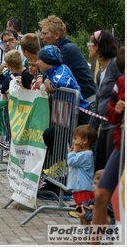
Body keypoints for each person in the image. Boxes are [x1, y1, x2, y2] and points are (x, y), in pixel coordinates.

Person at [91, 47, 125, 245]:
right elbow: (110, 115)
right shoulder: (121, 83)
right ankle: (94, 242)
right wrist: (117, 110)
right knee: (102, 193)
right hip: (121, 145)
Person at [36, 15, 96, 107]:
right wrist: (42, 76)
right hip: (76, 105)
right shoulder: (57, 50)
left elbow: (51, 69)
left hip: (87, 104)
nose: (41, 37)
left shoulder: (67, 50)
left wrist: (45, 78)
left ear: (56, 35)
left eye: (45, 34)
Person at [87, 30, 121, 171]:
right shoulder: (101, 72)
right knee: (100, 168)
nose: (88, 46)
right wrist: (88, 133)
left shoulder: (114, 65)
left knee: (110, 169)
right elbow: (97, 105)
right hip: (104, 127)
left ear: (98, 46)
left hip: (115, 126)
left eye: (90, 43)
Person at [66, 124, 98, 206]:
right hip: (79, 188)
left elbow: (71, 162)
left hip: (83, 189)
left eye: (75, 139)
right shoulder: (82, 154)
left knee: (84, 210)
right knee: (81, 209)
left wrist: (73, 152)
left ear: (84, 140)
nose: (73, 141)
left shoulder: (86, 155)